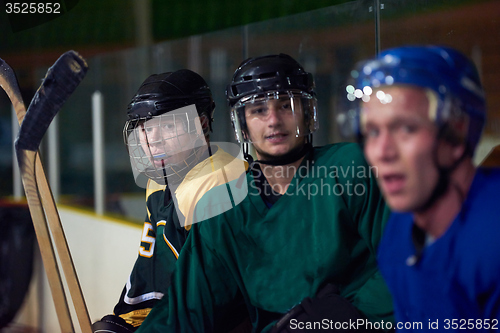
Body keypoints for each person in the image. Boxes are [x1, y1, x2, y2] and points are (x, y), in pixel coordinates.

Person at [135, 53, 394, 333]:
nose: (273, 120)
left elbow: (411, 260)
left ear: (308, 114)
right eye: (258, 110)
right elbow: (186, 312)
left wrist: (353, 315)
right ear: (242, 124)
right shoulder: (221, 208)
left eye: (286, 105)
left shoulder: (354, 167)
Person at [348, 45, 500, 330]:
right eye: (372, 131)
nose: (382, 151)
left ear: (457, 133)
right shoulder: (399, 231)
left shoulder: (493, 235)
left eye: (406, 128)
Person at [92, 69, 247, 332]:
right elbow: (152, 277)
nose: (153, 140)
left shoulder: (224, 182)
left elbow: (218, 301)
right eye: (146, 127)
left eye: (168, 125)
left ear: (202, 125)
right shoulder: (158, 182)